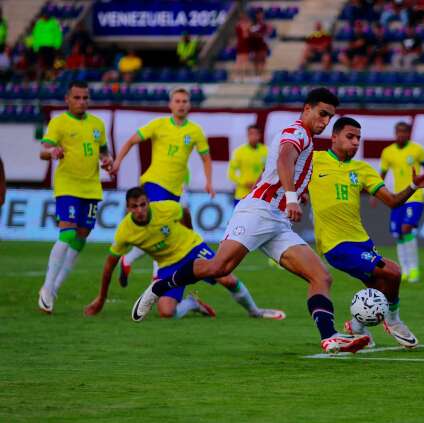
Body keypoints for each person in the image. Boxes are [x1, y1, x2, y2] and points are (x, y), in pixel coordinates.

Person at [132, 88, 371, 354]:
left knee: (321, 276)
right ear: (307, 109)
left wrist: (294, 196)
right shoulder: (297, 133)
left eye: (330, 117)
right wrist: (292, 197)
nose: (325, 122)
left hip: (278, 221)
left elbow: (279, 169)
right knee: (218, 268)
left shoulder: (307, 140)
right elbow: (284, 160)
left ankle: (330, 337)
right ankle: (159, 287)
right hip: (258, 211)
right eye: (322, 114)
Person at [308, 117, 424, 348]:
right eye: (350, 137)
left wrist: (414, 186)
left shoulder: (363, 169)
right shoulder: (313, 161)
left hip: (362, 241)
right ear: (334, 136)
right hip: (335, 244)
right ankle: (393, 321)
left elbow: (392, 201)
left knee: (380, 286)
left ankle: (356, 328)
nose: (355, 142)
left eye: (358, 138)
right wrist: (291, 197)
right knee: (394, 272)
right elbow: (285, 170)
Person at [84, 187, 286, 320]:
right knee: (166, 312)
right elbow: (109, 264)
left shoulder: (166, 208)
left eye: (143, 204)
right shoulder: (124, 232)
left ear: (148, 202)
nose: (140, 210)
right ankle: (192, 303)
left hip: (192, 249)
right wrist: (101, 298)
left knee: (228, 279)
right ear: (127, 208)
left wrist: (190, 232)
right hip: (168, 265)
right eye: (134, 206)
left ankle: (254, 311)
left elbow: (185, 212)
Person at [110, 87, 214, 284]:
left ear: (189, 104)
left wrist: (209, 181)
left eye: (184, 101)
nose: (181, 105)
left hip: (175, 190)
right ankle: (157, 278)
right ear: (170, 104)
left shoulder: (195, 131)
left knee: (166, 231)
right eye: (177, 101)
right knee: (161, 230)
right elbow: (131, 141)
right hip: (154, 183)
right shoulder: (158, 125)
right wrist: (117, 162)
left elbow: (206, 158)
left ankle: (129, 259)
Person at [38, 80, 113, 313]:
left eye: (85, 98)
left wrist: (107, 160)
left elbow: (103, 151)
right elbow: (43, 151)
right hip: (68, 185)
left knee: (81, 238)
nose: (82, 102)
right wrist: (52, 152)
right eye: (77, 98)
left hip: (91, 188)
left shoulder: (97, 124)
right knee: (68, 232)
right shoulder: (58, 122)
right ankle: (47, 289)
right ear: (67, 99)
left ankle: (55, 288)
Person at [379, 122, 424, 284]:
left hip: (415, 196)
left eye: (405, 132)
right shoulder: (388, 152)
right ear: (395, 133)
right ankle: (405, 269)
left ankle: (414, 269)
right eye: (399, 132)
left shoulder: (417, 150)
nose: (401, 135)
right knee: (399, 234)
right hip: (398, 198)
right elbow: (382, 174)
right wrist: (376, 195)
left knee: (406, 228)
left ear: (409, 134)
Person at [228, 124, 268, 206]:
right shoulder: (239, 152)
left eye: (256, 134)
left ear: (259, 135)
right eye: (251, 134)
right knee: (238, 218)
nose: (253, 136)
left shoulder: (266, 151)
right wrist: (244, 182)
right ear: (247, 135)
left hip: (260, 195)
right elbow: (231, 173)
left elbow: (270, 171)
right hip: (242, 194)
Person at [31, 12, 62, 78]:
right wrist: (35, 47)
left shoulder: (54, 23)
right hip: (41, 47)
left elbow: (58, 35)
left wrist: (57, 45)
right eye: (44, 15)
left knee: (52, 63)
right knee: (42, 64)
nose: (45, 17)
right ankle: (43, 77)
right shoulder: (39, 24)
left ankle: (52, 77)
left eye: (46, 15)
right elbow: (35, 36)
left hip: (51, 46)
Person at [235, 12, 251, 81]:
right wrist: (247, 28)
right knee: (244, 61)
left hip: (240, 44)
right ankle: (242, 77)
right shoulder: (243, 26)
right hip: (243, 44)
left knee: (239, 61)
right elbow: (245, 36)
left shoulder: (237, 25)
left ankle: (239, 76)